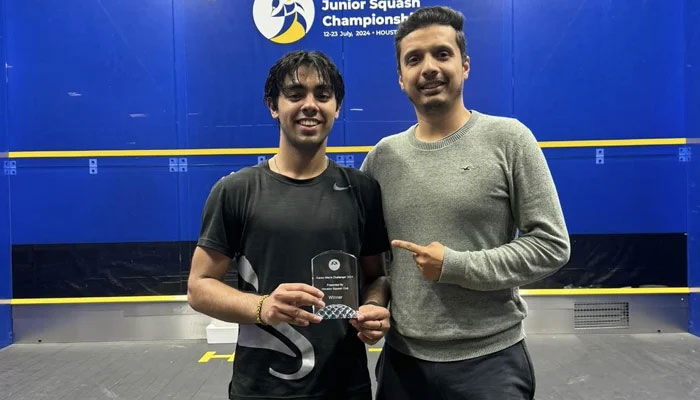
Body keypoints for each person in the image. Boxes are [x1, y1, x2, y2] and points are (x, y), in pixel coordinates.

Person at [360, 6, 571, 400]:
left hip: (490, 363)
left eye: (442, 54)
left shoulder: (510, 139)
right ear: (401, 78)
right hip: (403, 366)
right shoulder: (381, 159)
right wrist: (375, 305)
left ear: (465, 65)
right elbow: (378, 267)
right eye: (414, 59)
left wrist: (456, 266)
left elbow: (551, 246)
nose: (429, 68)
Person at [188, 50, 391, 400]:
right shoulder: (237, 190)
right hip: (262, 389)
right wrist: (262, 306)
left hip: (346, 388)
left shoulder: (363, 190)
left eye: (322, 95)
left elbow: (376, 276)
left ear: (337, 107)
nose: (310, 105)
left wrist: (375, 307)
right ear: (273, 105)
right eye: (295, 95)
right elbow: (199, 286)